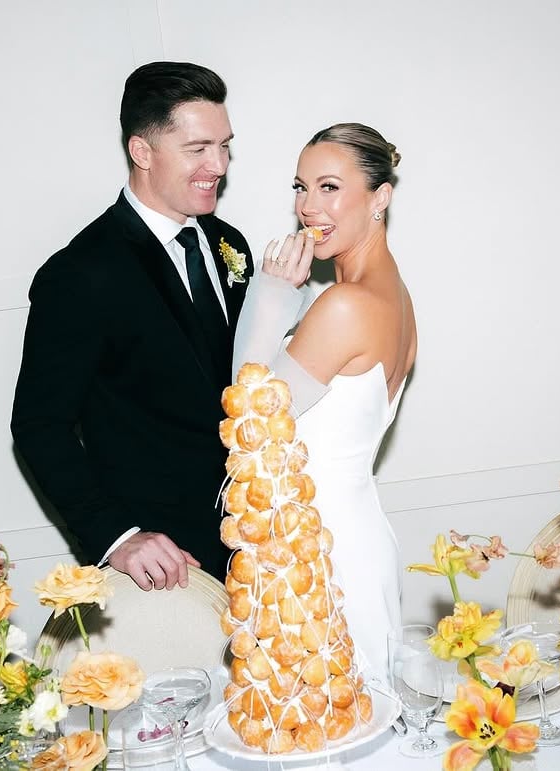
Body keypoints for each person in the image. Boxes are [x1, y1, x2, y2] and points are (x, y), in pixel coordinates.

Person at [11, 62, 252, 591]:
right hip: (164, 566)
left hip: (255, 546)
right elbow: (39, 426)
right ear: (142, 151)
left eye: (224, 146)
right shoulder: (80, 273)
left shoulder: (230, 245)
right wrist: (118, 537)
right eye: (198, 148)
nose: (218, 165)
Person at [231, 122, 417, 677]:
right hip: (352, 538)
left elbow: (247, 422)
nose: (308, 207)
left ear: (380, 198)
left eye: (329, 187)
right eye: (301, 187)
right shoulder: (396, 295)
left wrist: (270, 294)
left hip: (321, 552)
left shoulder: (344, 305)